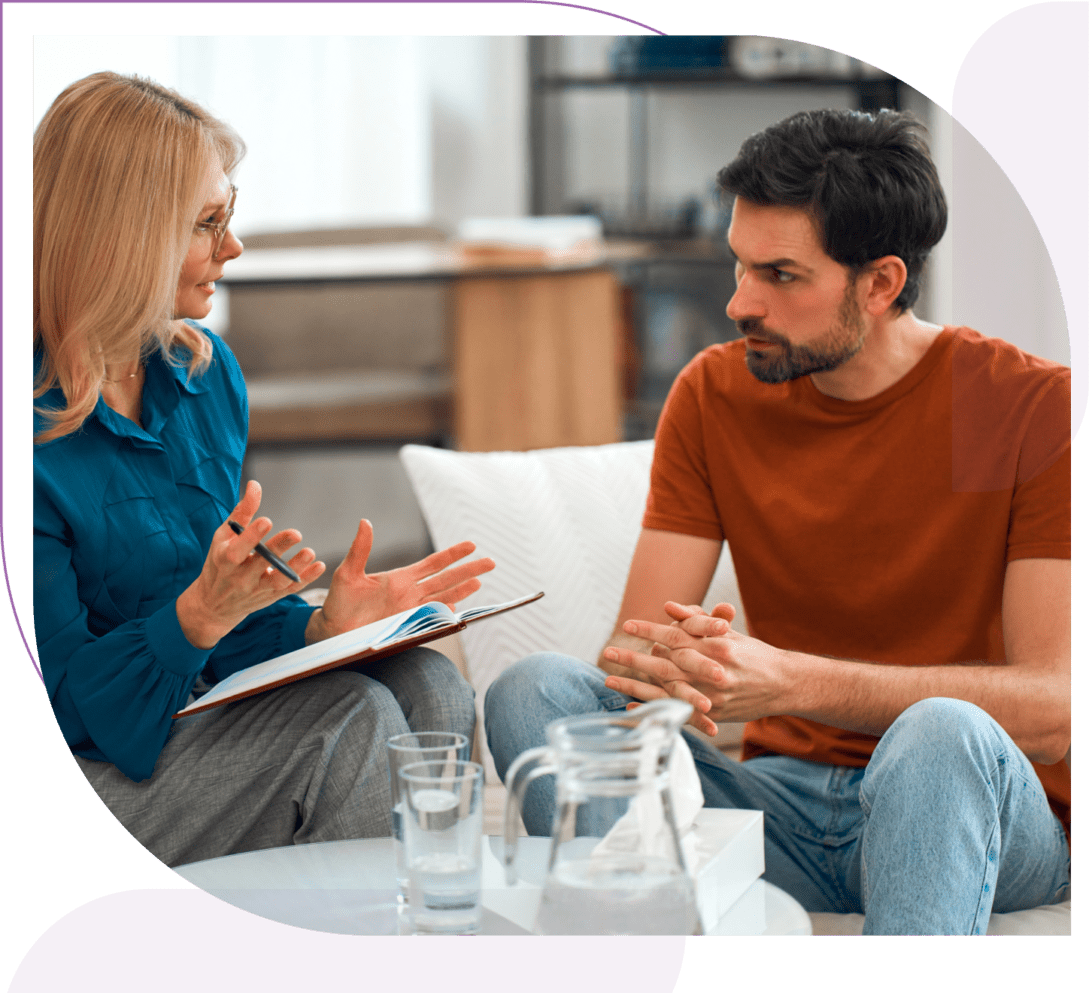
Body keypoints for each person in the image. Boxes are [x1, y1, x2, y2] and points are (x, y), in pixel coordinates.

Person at [485, 108, 1071, 935]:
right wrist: (676, 674)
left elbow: (1052, 709)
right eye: (738, 266)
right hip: (777, 806)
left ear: (879, 284)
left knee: (940, 734)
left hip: (977, 811)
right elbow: (635, 663)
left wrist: (789, 680)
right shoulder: (712, 395)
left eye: (780, 276)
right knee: (534, 691)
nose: (737, 303)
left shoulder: (1032, 408)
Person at [33, 72, 494, 869]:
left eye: (229, 217)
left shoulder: (204, 376)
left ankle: (426, 941)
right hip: (92, 759)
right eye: (207, 224)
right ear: (122, 234)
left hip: (177, 711)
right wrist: (196, 619)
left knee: (430, 688)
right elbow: (69, 700)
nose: (233, 248)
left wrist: (321, 624)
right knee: (344, 725)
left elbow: (214, 635)